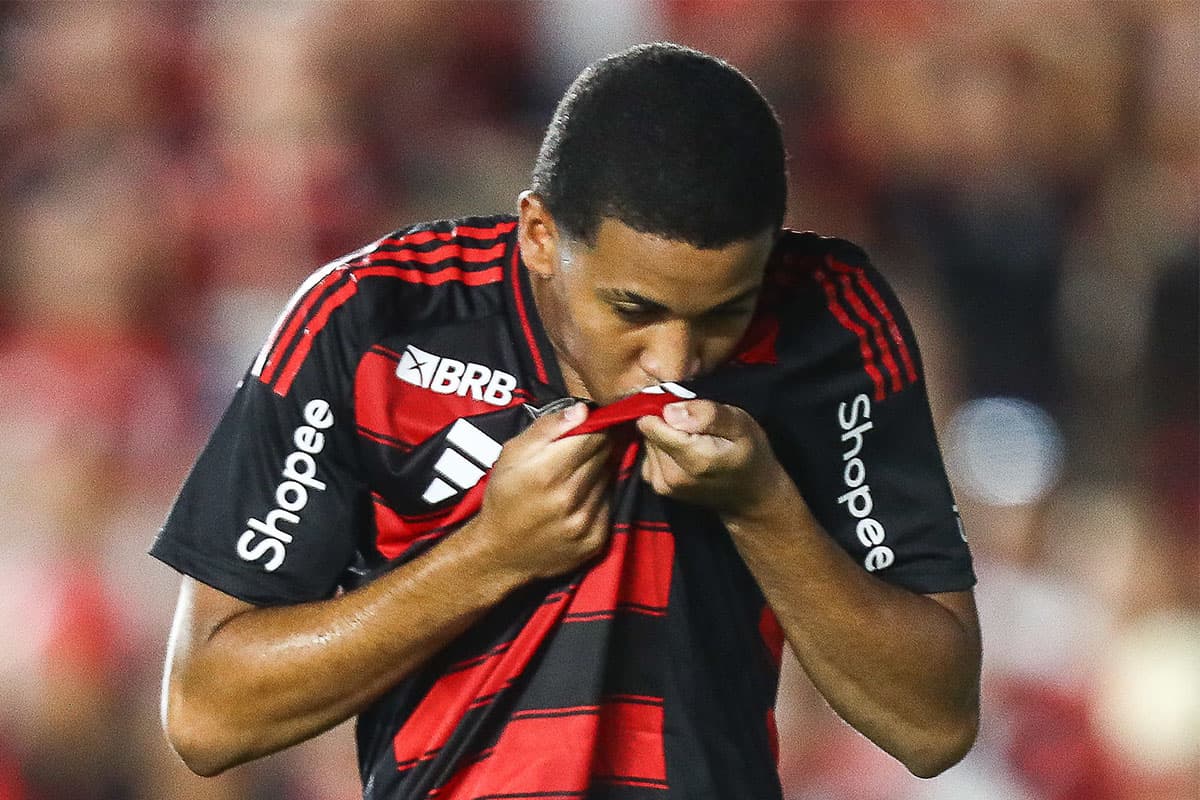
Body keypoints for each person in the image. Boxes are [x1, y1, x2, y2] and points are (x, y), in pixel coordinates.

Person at [152, 42, 980, 798]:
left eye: (727, 312)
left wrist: (764, 509)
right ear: (540, 235)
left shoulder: (829, 323)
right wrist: (490, 554)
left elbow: (935, 725)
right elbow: (207, 715)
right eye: (634, 310)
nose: (675, 361)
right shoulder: (374, 320)